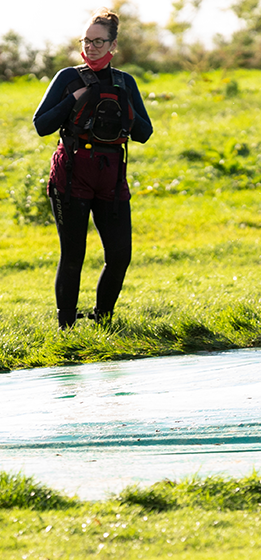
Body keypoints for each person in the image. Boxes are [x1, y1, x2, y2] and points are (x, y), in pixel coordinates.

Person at [33, 7, 153, 329]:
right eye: (87, 40)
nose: (92, 47)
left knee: (119, 256)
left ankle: (103, 320)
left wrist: (123, 103)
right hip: (72, 175)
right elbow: (41, 125)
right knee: (73, 255)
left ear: (113, 46)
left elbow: (144, 133)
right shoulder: (67, 78)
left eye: (99, 42)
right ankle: (66, 327)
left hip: (111, 177)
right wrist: (75, 98)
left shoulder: (125, 82)